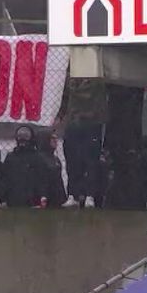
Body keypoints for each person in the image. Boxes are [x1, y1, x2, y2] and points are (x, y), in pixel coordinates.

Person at [61, 79, 106, 208]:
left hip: (91, 123)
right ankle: (73, 194)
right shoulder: (71, 77)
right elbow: (65, 97)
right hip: (75, 122)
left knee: (91, 161)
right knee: (73, 160)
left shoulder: (96, 77)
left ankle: (89, 195)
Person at [0, 126, 43, 208]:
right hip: (13, 199)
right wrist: (3, 199)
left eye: (26, 136)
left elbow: (41, 179)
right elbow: (4, 178)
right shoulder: (11, 157)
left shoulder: (37, 157)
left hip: (33, 200)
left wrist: (42, 197)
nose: (22, 139)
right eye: (19, 136)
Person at [36, 130, 68, 208]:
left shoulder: (55, 158)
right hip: (46, 198)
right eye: (52, 138)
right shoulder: (39, 158)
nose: (55, 141)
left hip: (57, 199)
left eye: (56, 138)